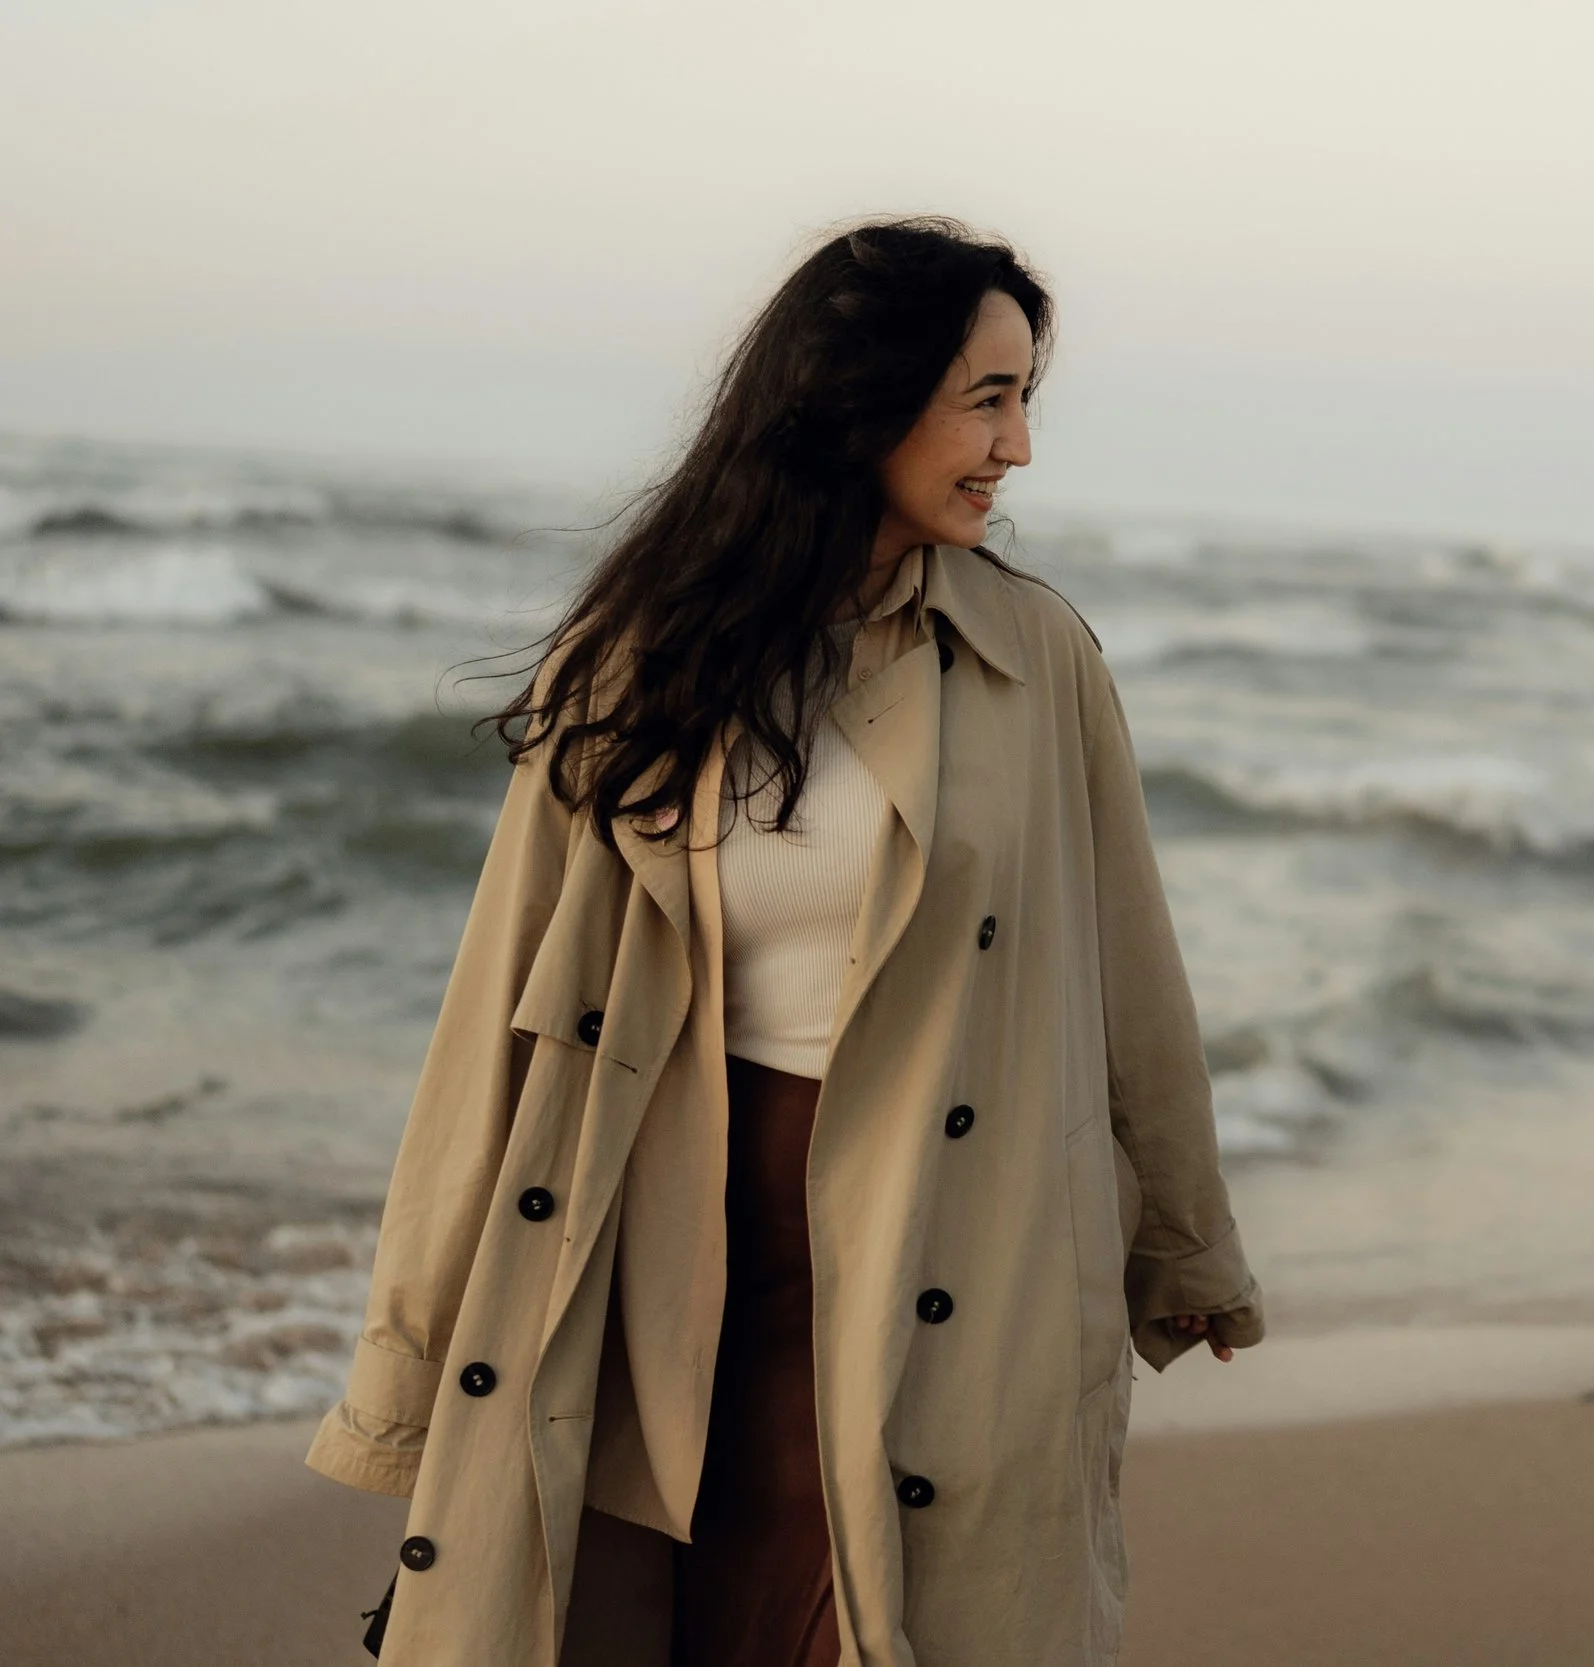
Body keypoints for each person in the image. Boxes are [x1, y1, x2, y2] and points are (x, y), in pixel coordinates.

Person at [304, 217, 1264, 1667]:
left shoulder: (1034, 658)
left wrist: (1188, 1246)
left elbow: (1134, 977)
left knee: (885, 1614)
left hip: (957, 1237)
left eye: (1023, 400)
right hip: (672, 1245)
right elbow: (494, 1023)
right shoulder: (637, 657)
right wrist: (409, 1361)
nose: (1017, 448)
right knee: (686, 1613)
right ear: (861, 400)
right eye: (988, 400)